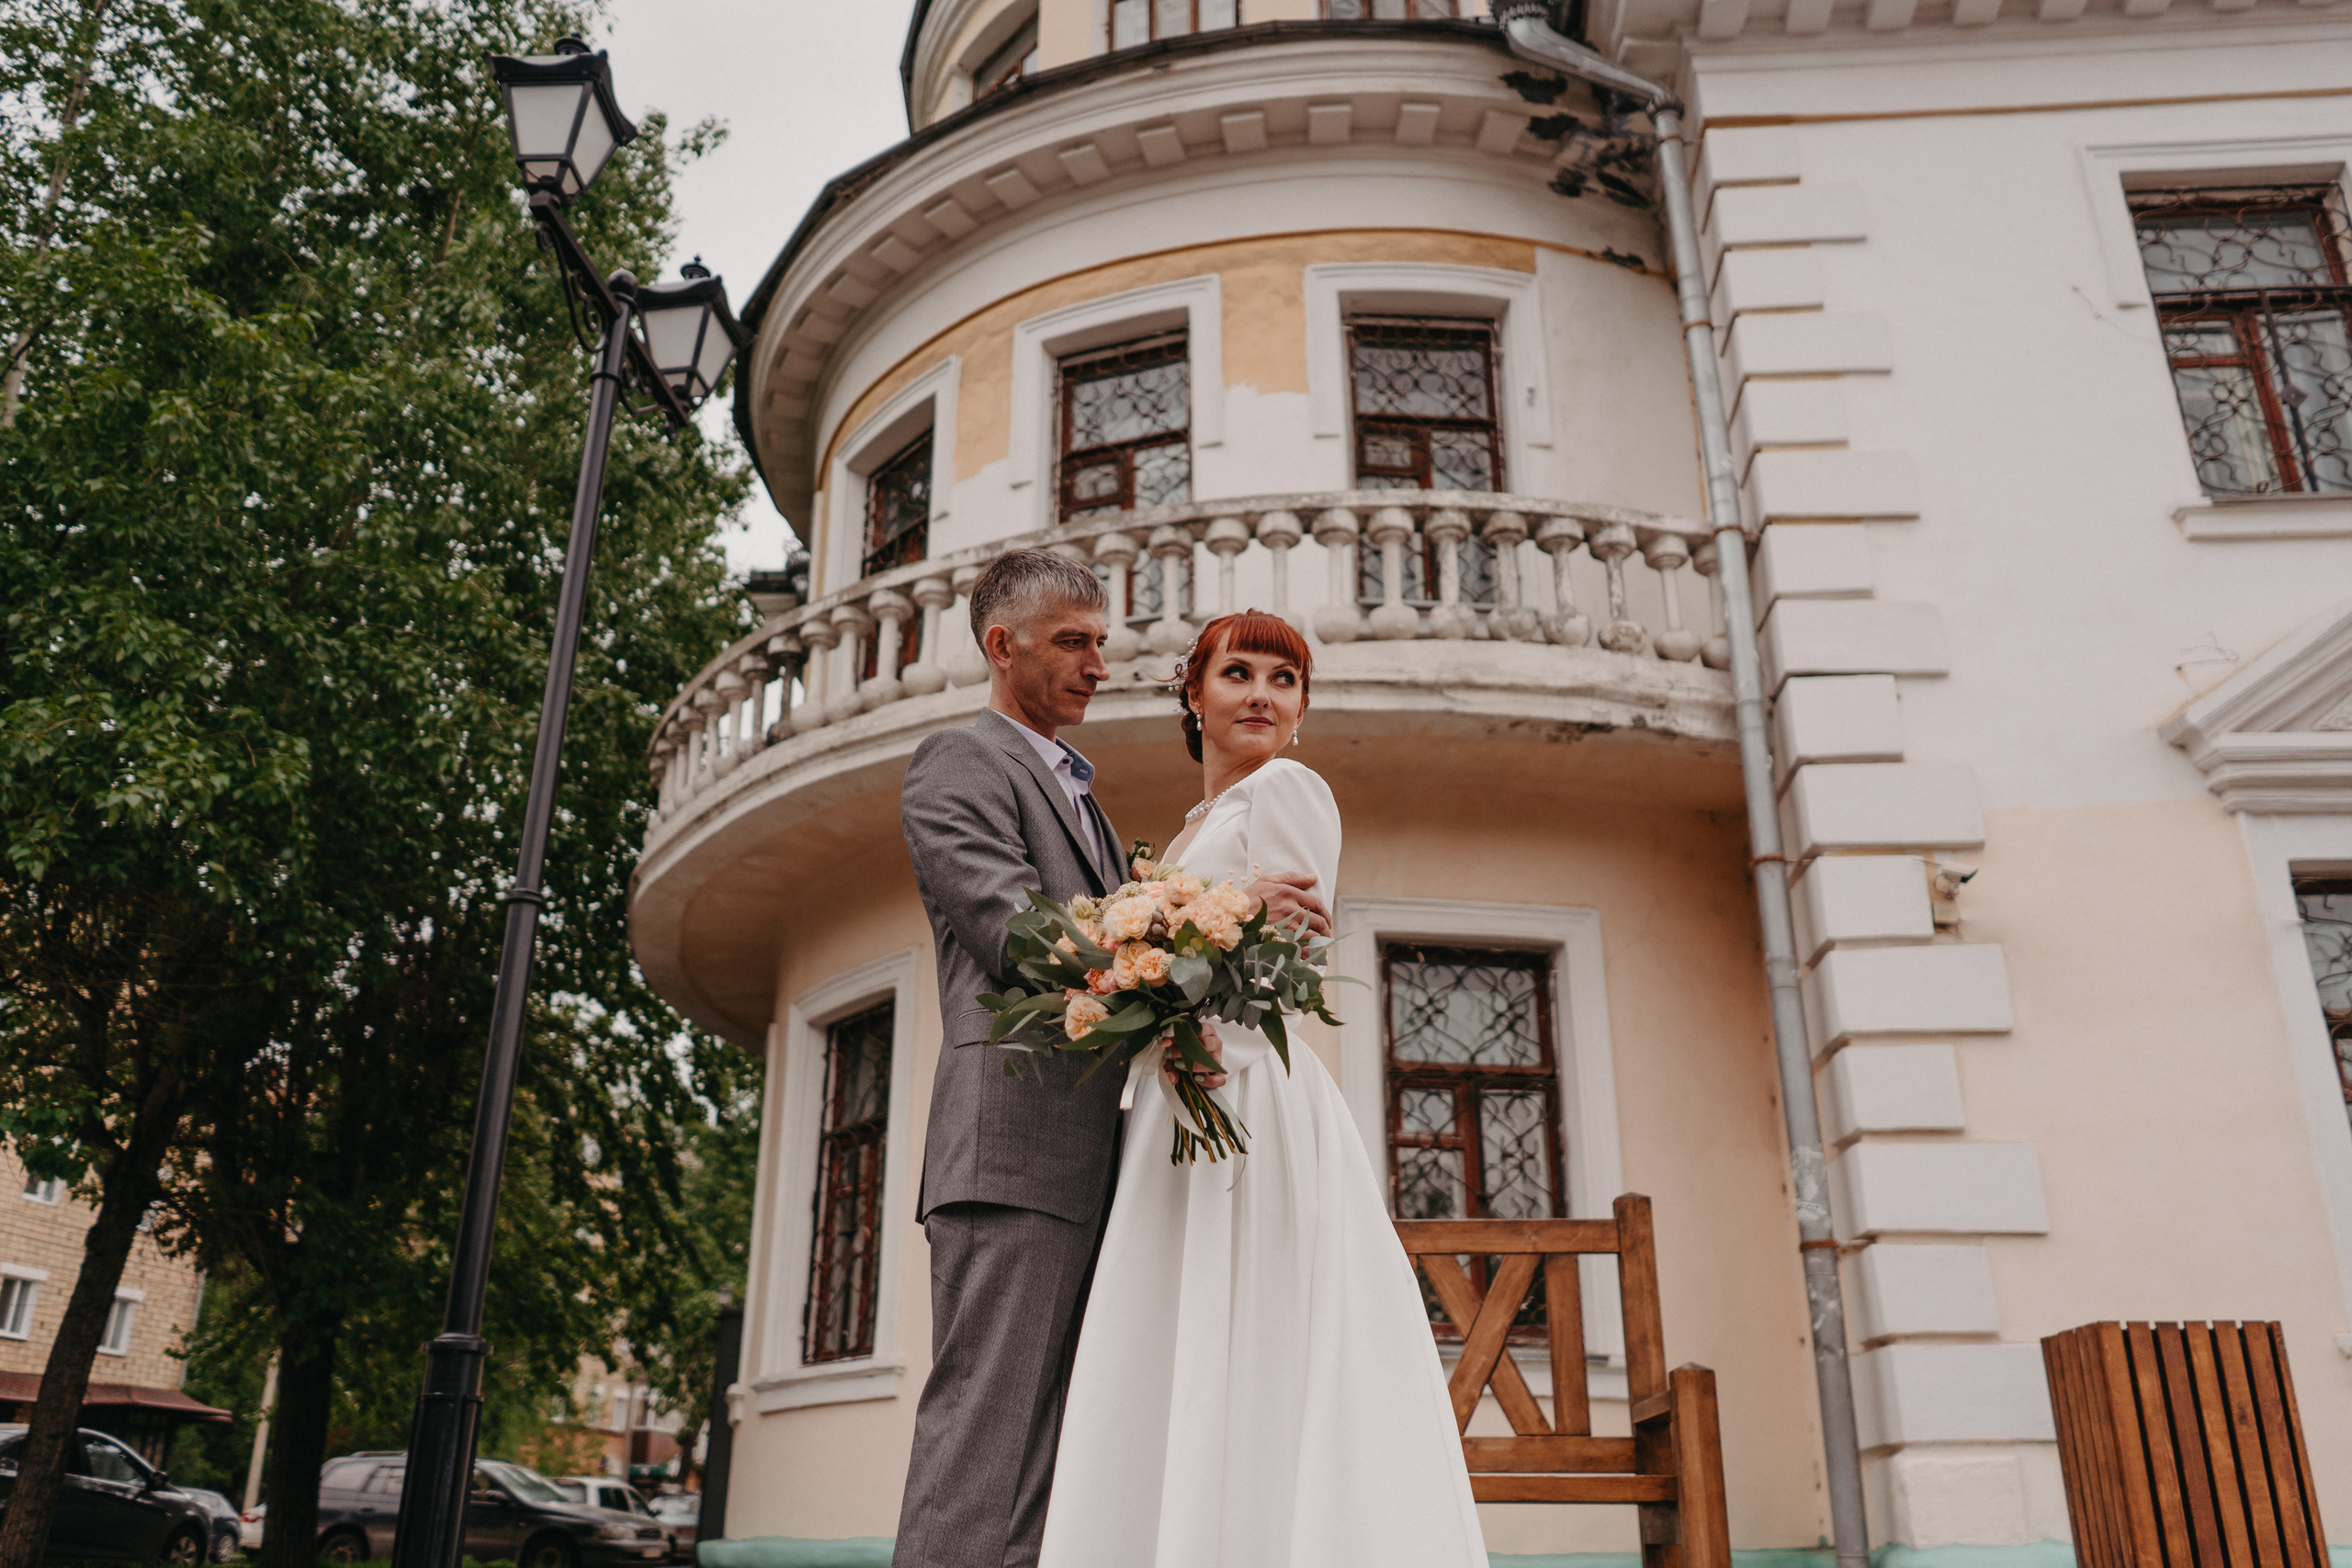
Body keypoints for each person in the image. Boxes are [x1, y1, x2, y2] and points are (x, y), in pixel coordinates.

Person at [895, 555, 1330, 1568]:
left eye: (1103, 641)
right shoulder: (957, 763)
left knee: (1057, 1458)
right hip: (1015, 1153)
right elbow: (1025, 936)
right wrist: (1216, 932)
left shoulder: (1085, 803)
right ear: (1003, 647)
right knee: (985, 1439)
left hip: (1109, 1164)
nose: (1100, 663)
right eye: (1074, 642)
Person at [1035, 608, 1490, 1568]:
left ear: (1301, 713)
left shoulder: (1288, 787)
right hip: (1178, 1095)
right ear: (1192, 697)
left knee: (1252, 1332)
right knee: (1179, 1335)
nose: (1260, 695)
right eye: (1237, 673)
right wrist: (1150, 983)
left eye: (1283, 681)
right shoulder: (1193, 829)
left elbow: (1291, 955)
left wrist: (1178, 973)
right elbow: (1203, 941)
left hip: (1242, 1094)